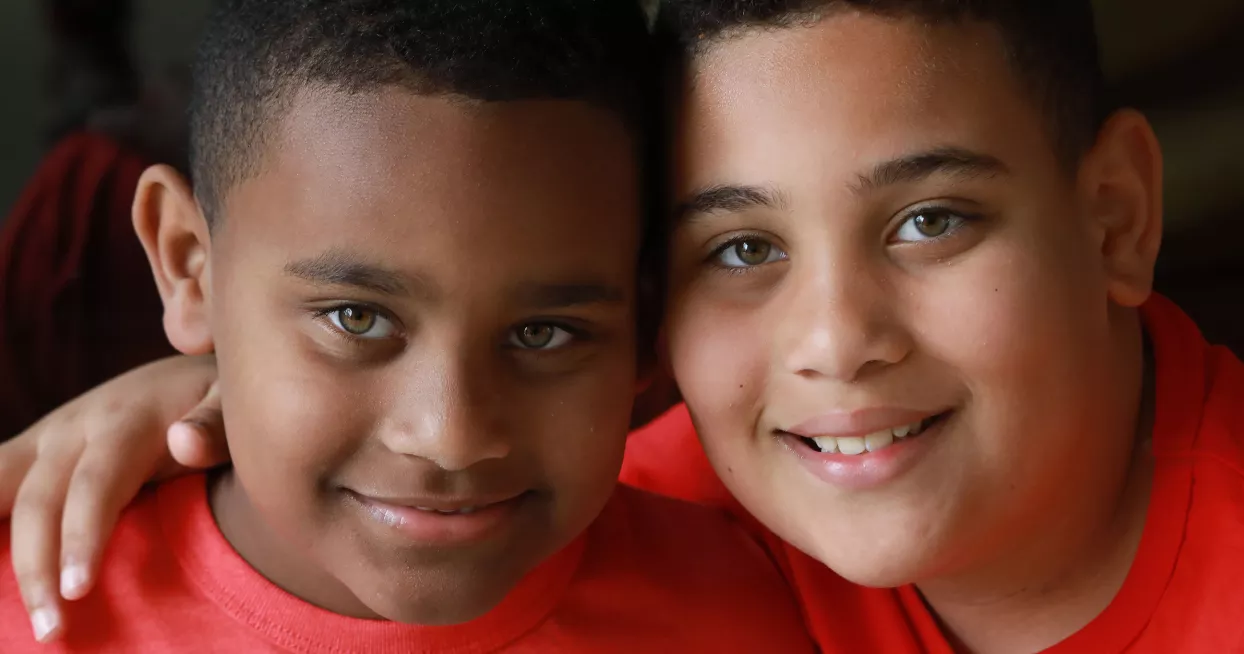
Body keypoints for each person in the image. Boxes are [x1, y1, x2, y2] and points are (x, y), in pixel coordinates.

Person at [6, 1, 1244, 652]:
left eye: (932, 219)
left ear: (1118, 215)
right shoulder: (676, 493)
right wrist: (209, 390)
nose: (835, 341)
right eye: (742, 246)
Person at [0, 0, 817, 651]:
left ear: (647, 321)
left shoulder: (759, 601)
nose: (451, 436)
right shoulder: (25, 617)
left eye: (545, 333)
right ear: (187, 263)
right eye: (356, 318)